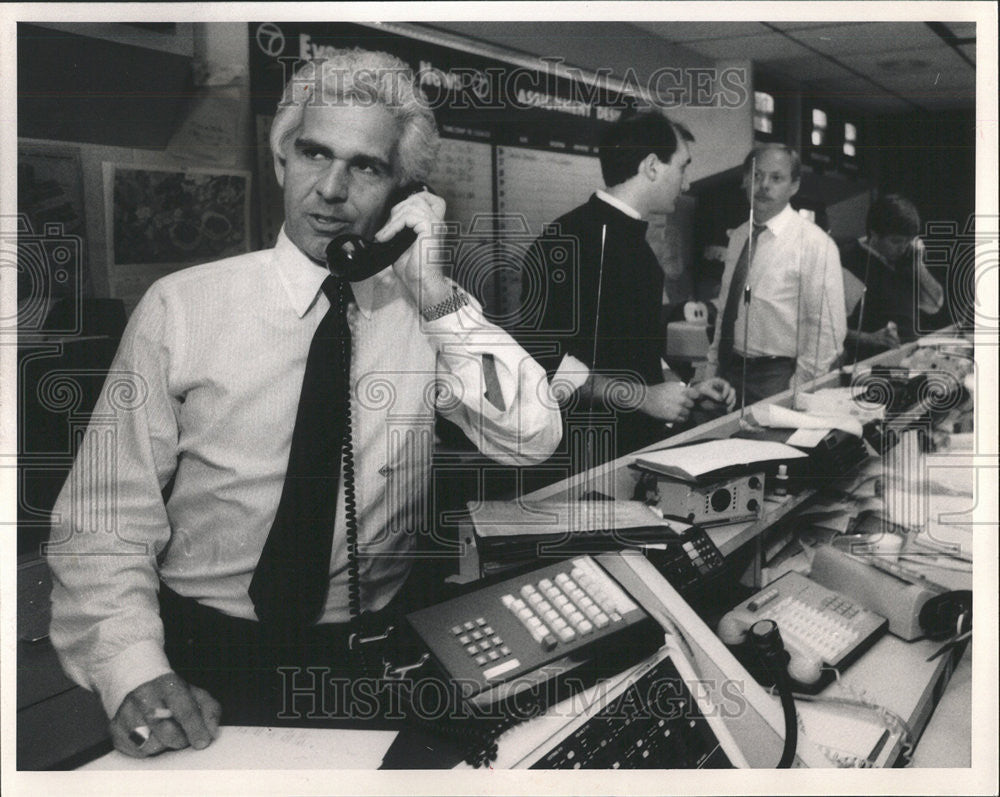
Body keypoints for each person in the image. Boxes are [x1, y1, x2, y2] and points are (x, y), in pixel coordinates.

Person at [46, 48, 562, 757]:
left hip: (373, 655)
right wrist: (133, 668)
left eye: (367, 167)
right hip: (210, 654)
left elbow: (533, 433)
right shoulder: (183, 307)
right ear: (283, 159)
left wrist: (436, 292)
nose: (332, 188)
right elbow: (103, 515)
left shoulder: (430, 310)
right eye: (315, 153)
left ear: (404, 193)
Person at [514, 110, 735, 475]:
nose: (686, 183)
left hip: (632, 449)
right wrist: (644, 397)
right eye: (682, 167)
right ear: (651, 166)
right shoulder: (568, 240)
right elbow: (545, 361)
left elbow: (633, 351)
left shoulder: (639, 250)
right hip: (583, 460)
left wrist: (682, 390)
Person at [705, 144, 846, 405]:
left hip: (776, 378)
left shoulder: (814, 243)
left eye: (776, 178)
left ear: (794, 186)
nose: (764, 186)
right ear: (745, 180)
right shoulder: (738, 237)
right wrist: (710, 370)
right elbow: (726, 310)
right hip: (727, 372)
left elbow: (828, 330)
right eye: (756, 176)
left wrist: (797, 389)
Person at [840, 193, 944, 362]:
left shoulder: (907, 259)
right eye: (896, 242)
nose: (902, 248)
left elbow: (934, 305)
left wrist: (917, 265)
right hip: (872, 364)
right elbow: (830, 329)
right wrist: (870, 338)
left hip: (909, 358)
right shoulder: (852, 263)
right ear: (874, 235)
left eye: (907, 242)